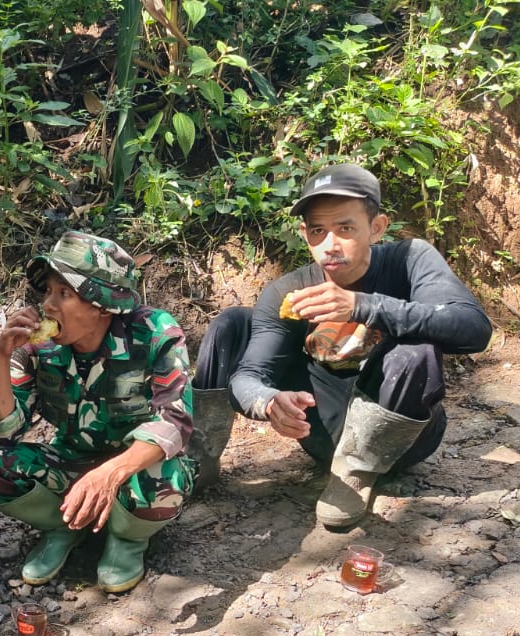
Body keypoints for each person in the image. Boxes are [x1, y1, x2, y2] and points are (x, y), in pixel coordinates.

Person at [189, 163, 492, 528]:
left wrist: (363, 306)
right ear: (304, 234)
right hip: (323, 431)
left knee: (417, 347)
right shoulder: (292, 290)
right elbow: (251, 373)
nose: (330, 245)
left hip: (402, 438)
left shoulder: (410, 260)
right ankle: (202, 454)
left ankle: (356, 472)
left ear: (376, 227)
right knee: (233, 322)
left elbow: (473, 328)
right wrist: (268, 402)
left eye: (345, 228)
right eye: (318, 231)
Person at [0, 232, 195, 593]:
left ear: (102, 304)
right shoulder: (39, 346)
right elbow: (8, 431)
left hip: (133, 468)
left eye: (64, 294)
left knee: (166, 476)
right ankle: (65, 525)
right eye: (48, 292)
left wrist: (109, 474)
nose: (48, 306)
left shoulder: (153, 333)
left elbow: (175, 424)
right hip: (69, 461)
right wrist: (1, 357)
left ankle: (128, 538)